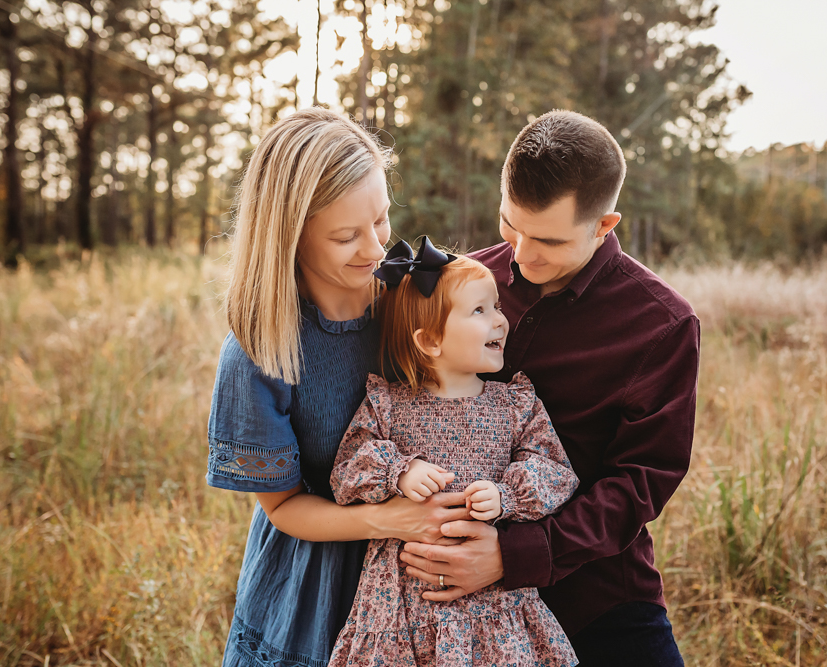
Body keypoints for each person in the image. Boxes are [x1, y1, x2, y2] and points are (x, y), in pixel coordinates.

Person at [398, 110, 700, 666]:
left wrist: (513, 556)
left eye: (549, 241)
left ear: (604, 225)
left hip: (595, 596)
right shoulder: (461, 286)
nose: (520, 255)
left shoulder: (662, 325)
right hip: (452, 609)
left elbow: (640, 482)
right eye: (510, 226)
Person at [206, 108, 469, 667]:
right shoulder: (262, 347)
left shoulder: (412, 302)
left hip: (420, 588)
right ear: (291, 236)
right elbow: (280, 506)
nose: (376, 249)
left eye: (381, 220)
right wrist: (388, 517)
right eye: (347, 236)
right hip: (310, 591)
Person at [327, 238, 580, 667]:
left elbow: (555, 469)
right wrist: (397, 473)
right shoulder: (389, 404)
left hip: (494, 607)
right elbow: (347, 470)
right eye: (480, 311)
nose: (501, 320)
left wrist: (508, 495)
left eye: (497, 306)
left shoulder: (515, 404)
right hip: (402, 606)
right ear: (431, 341)